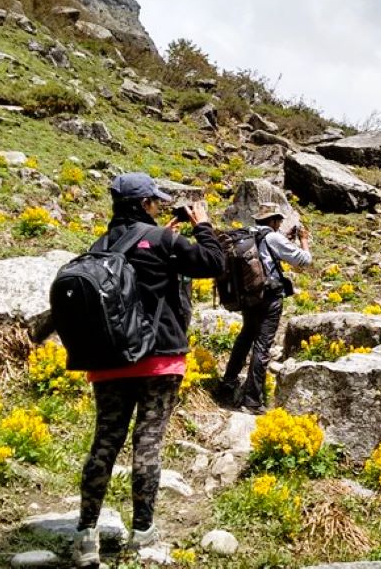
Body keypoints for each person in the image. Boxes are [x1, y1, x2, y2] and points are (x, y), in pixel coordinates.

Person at [72, 173, 224, 568]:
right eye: (154, 202)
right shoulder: (162, 240)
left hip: (108, 362)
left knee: (105, 441)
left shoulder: (99, 245)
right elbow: (213, 262)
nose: (158, 207)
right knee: (148, 442)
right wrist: (202, 224)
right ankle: (142, 533)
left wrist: (163, 239)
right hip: (159, 359)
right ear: (143, 205)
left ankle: (87, 535)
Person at [219, 203, 312, 413]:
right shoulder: (273, 237)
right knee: (262, 345)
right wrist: (303, 240)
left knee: (245, 337)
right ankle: (252, 400)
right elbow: (304, 260)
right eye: (278, 220)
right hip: (269, 298)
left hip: (249, 296)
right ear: (273, 221)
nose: (280, 224)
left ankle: (228, 382)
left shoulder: (248, 235)